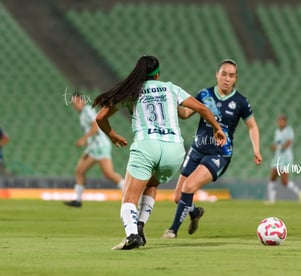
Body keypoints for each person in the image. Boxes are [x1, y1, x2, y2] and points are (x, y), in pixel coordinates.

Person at [92, 55, 226, 250]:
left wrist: (113, 136)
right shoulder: (170, 88)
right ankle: (140, 224)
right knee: (152, 183)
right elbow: (202, 109)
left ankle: (132, 235)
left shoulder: (132, 92)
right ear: (158, 75)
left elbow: (100, 118)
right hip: (174, 150)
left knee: (128, 199)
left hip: (147, 145)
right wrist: (217, 128)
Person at [161, 59, 262, 239]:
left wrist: (256, 150)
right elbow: (185, 114)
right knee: (179, 198)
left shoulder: (240, 102)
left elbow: (252, 126)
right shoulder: (204, 94)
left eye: (231, 76)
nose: (227, 79)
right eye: (223, 74)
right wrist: (170, 104)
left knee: (189, 186)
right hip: (197, 150)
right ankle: (195, 213)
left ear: (236, 79)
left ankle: (172, 230)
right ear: (217, 74)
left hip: (219, 153)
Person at [64, 92, 125, 208]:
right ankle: (77, 200)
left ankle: (128, 192)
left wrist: (83, 139)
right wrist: (87, 142)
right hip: (93, 147)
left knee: (109, 174)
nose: (75, 105)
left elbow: (95, 126)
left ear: (83, 101)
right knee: (79, 171)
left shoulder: (87, 110)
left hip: (100, 146)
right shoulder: (83, 113)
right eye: (73, 103)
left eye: (77, 101)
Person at [266, 114, 301, 204]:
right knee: (272, 177)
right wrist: (276, 148)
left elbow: (288, 143)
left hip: (286, 158)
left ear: (285, 122)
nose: (279, 123)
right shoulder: (277, 131)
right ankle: (272, 200)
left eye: (281, 121)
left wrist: (277, 147)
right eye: (278, 121)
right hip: (277, 157)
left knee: (284, 181)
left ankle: (299, 192)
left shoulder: (289, 130)